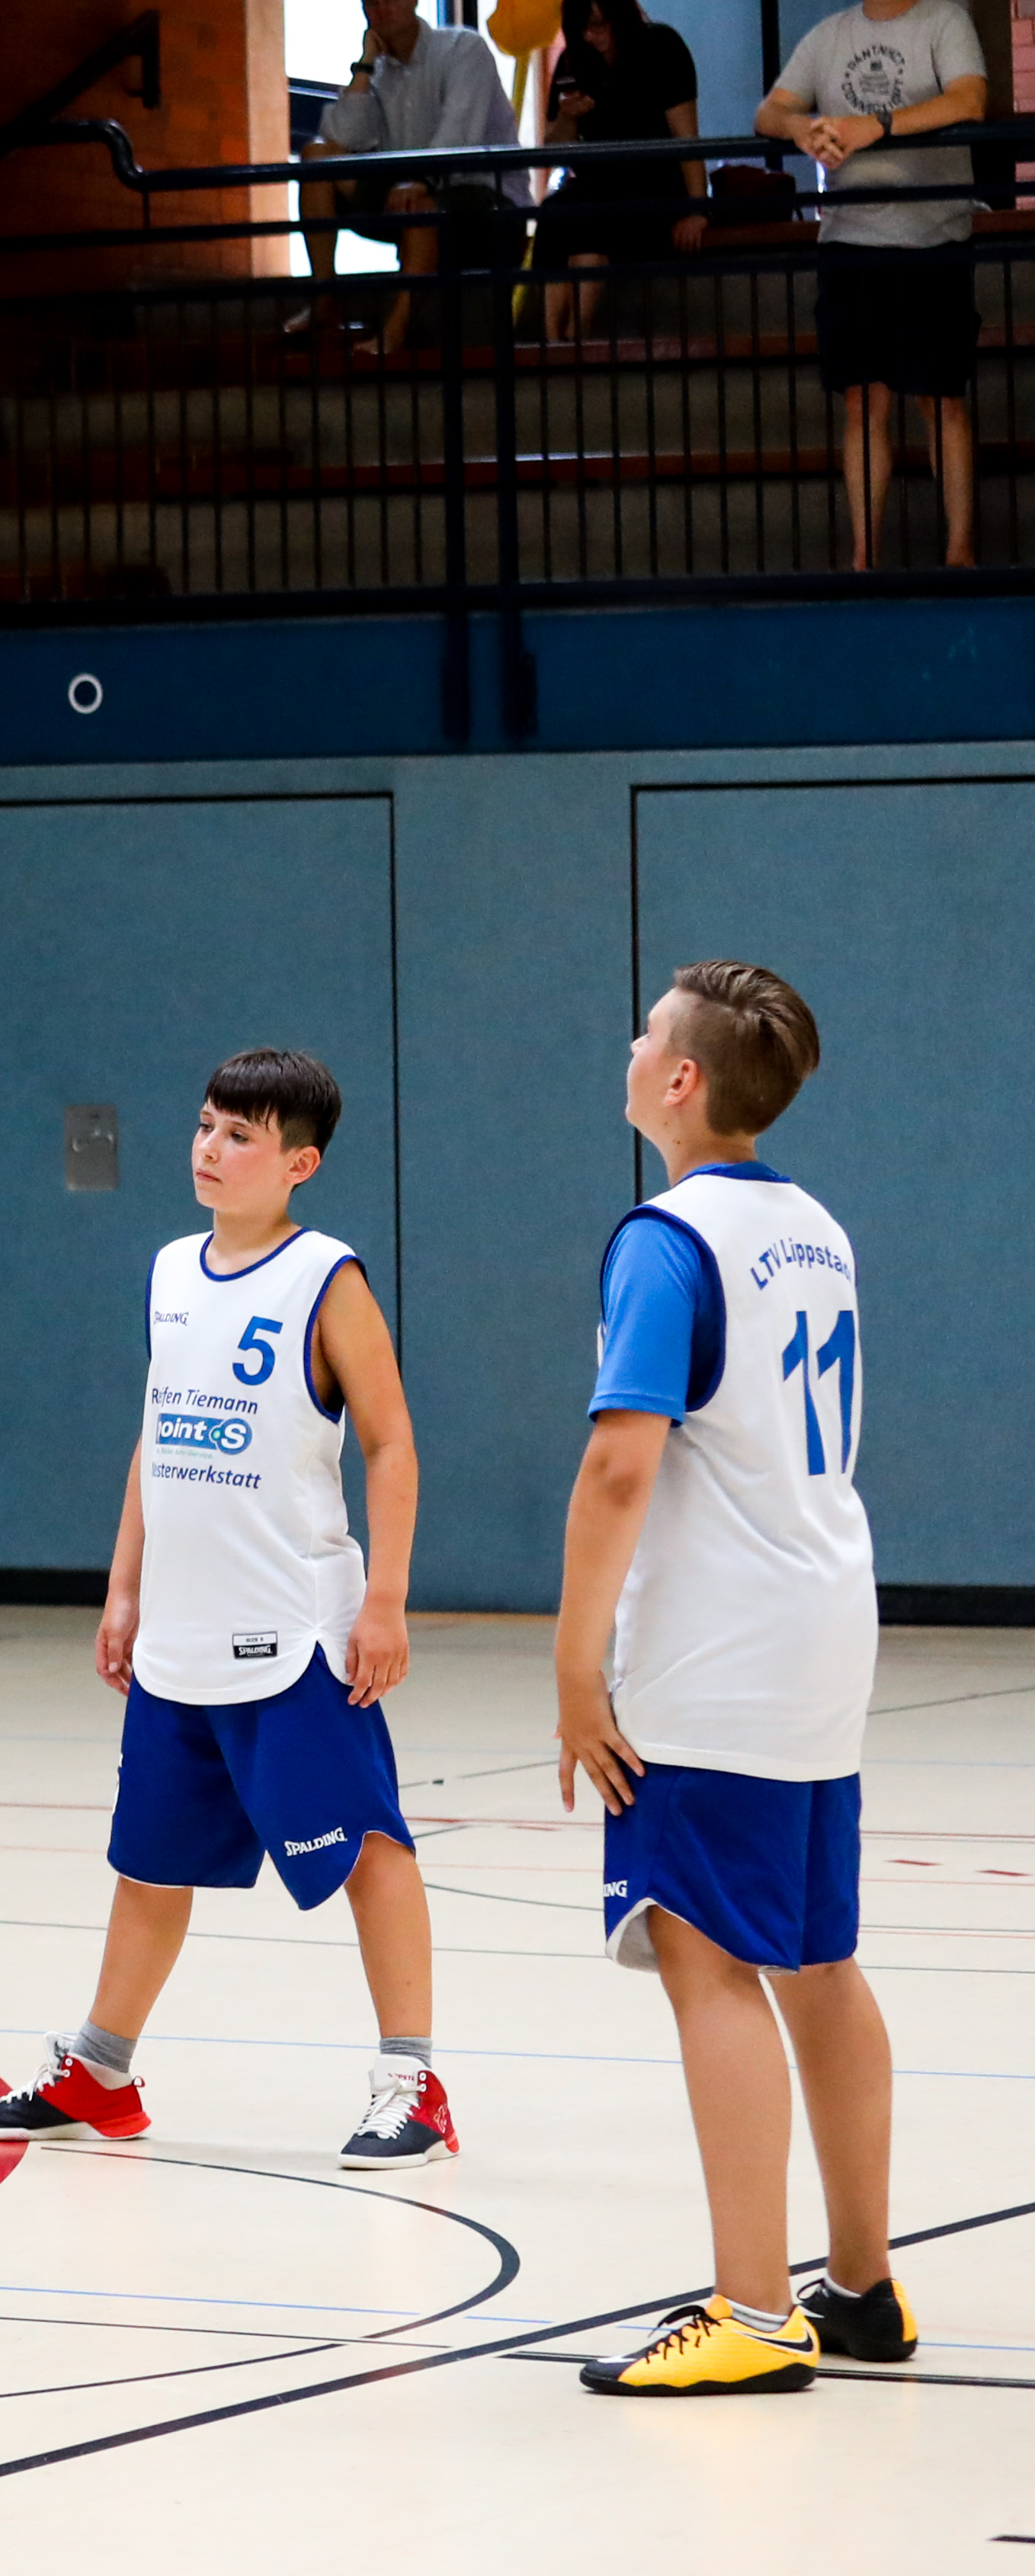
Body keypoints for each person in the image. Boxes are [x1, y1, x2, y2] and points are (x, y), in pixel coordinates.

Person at [0, 1053, 452, 2164]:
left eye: (238, 1134)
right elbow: (157, 1430)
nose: (208, 1147)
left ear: (298, 1162)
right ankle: (99, 2071)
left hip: (294, 1632)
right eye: (203, 1124)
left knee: (367, 1847)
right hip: (179, 1632)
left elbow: (390, 1441)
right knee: (147, 1861)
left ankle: (412, 2082)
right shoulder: (169, 1269)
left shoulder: (325, 1276)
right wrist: (122, 1584)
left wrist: (385, 1598)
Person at [561, 964, 910, 2396]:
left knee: (704, 1957)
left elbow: (619, 1462)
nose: (630, 1042)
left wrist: (574, 1661)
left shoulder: (666, 1239)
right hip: (822, 1626)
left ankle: (753, 2309)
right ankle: (861, 2286)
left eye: (646, 1030)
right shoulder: (812, 1227)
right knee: (816, 1958)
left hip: (716, 1653)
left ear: (681, 1079)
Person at [758, 0, 992, 569]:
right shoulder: (828, 36)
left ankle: (959, 551)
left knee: (940, 401)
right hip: (849, 241)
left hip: (931, 238)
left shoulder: (944, 22)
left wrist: (876, 125)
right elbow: (769, 111)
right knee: (862, 403)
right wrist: (804, 128)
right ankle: (864, 557)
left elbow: (969, 99)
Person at [297, 0, 521, 351]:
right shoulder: (377, 72)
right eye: (372, 4)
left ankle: (395, 332)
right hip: (404, 191)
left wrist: (421, 180)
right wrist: (364, 65)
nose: (383, 10)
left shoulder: (463, 49)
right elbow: (343, 138)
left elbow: (459, 134)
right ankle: (325, 299)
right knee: (317, 158)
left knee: (421, 203)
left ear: (415, 0)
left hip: (487, 198)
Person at [539, 0, 707, 343]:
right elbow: (552, 145)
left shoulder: (661, 48)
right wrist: (567, 118)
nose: (591, 36)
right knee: (554, 212)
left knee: (589, 217)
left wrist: (698, 208)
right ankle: (552, 339)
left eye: (599, 25)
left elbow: (687, 138)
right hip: (596, 188)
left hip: (654, 188)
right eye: (582, 28)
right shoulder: (573, 61)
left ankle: (575, 334)